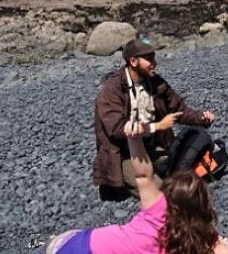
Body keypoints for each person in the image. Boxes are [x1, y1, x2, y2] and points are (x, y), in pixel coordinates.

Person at [0, 122, 228, 254]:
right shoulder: (192, 251)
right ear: (203, 208)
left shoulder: (159, 210)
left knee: (54, 245)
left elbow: (142, 173)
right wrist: (219, 249)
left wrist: (133, 138)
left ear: (170, 197)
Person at [93, 37, 216, 201]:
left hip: (153, 146)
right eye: (149, 59)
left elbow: (179, 109)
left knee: (193, 171)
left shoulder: (155, 83)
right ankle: (118, 182)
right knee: (162, 195)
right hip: (124, 154)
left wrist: (201, 118)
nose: (154, 63)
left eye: (154, 57)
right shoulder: (112, 90)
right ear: (133, 61)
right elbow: (117, 129)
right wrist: (157, 126)